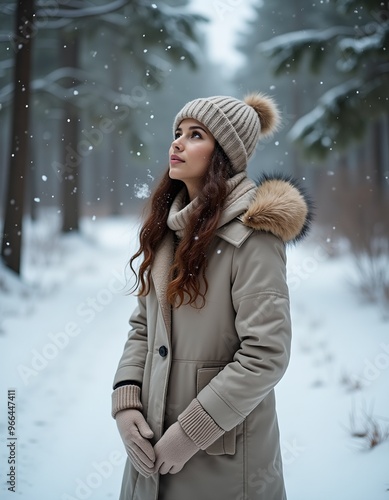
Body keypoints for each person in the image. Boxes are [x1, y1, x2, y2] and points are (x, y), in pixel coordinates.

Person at [111, 93, 312, 500]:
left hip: (224, 457)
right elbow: (143, 327)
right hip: (150, 446)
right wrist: (127, 399)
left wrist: (190, 431)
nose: (177, 143)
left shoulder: (254, 236)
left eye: (195, 134)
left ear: (223, 154)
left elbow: (266, 354)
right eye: (177, 133)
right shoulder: (167, 230)